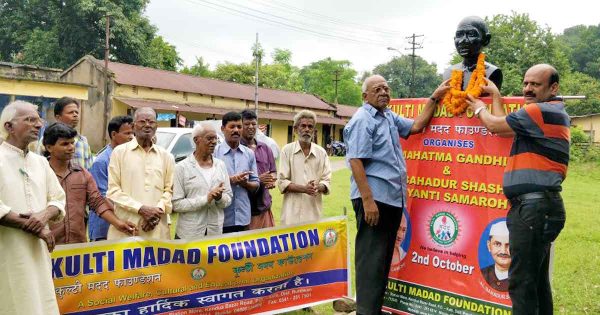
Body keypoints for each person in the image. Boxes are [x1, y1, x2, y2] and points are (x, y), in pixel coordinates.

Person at [467, 64, 569, 314]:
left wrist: (479, 107)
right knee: (536, 283)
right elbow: (504, 129)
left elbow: (493, 125)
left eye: (535, 84)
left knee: (522, 285)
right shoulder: (545, 113)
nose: (528, 89)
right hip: (540, 207)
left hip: (533, 209)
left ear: (553, 88)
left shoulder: (540, 111)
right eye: (526, 83)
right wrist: (496, 97)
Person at [344, 75, 450, 315]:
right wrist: (368, 201)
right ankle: (365, 312)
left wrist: (435, 97)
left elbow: (415, 126)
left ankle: (374, 309)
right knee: (371, 260)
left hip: (391, 198)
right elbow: (355, 161)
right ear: (365, 96)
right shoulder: (363, 119)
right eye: (376, 89)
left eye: (386, 88)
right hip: (374, 199)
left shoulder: (388, 116)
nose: (383, 92)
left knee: (382, 260)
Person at [0, 101, 66, 314]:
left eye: (39, 120)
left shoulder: (40, 162)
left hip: (38, 252)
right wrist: (34, 225)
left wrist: (44, 215)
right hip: (8, 249)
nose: (38, 125)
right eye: (30, 120)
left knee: (40, 302)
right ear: (9, 127)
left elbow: (58, 198)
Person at [43, 123, 137, 243]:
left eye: (72, 143)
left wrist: (118, 223)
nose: (71, 147)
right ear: (49, 147)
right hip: (46, 245)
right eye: (65, 144)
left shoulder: (82, 174)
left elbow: (97, 202)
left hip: (77, 246)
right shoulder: (39, 173)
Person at [107, 107, 175, 240]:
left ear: (157, 126)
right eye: (142, 122)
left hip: (156, 225)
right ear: (133, 126)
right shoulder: (119, 153)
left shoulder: (166, 156)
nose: (147, 125)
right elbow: (113, 190)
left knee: (158, 260)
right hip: (128, 226)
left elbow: (169, 190)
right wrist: (141, 209)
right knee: (124, 260)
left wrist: (155, 213)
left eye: (151, 122)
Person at [173, 122, 232, 238]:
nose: (214, 142)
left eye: (215, 138)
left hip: (214, 233)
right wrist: (206, 198)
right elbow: (176, 204)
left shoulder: (220, 165)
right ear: (196, 140)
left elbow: (228, 198)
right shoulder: (181, 167)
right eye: (209, 138)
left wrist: (220, 198)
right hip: (189, 234)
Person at [277, 110, 332, 225]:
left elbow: (326, 181)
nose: (307, 129)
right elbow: (282, 182)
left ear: (314, 131)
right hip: (291, 216)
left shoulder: (321, 153)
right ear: (295, 129)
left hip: (313, 214)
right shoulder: (287, 150)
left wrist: (318, 186)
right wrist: (304, 189)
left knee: (314, 244)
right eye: (303, 126)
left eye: (310, 127)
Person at [88, 116, 134, 241]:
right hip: (104, 227)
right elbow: (101, 196)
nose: (131, 137)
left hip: (125, 223)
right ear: (114, 134)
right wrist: (120, 218)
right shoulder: (102, 161)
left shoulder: (130, 158)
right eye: (127, 133)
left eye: (133, 133)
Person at [215, 112, 259, 233]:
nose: (236, 130)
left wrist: (245, 183)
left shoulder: (249, 153)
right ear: (223, 129)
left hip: (243, 217)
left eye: (239, 127)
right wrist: (231, 180)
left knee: (241, 252)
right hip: (220, 217)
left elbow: (256, 184)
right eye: (232, 127)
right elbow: (208, 182)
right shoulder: (215, 153)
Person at [443, 16, 503, 90]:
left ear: (486, 40)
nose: (462, 41)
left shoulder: (493, 72)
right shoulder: (449, 72)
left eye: (471, 34)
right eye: (459, 35)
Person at [240, 109, 277, 229]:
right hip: (246, 209)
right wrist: (258, 180)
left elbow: (273, 170)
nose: (251, 127)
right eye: (247, 124)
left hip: (265, 206)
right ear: (241, 126)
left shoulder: (265, 148)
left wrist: (271, 179)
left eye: (253, 124)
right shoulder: (237, 149)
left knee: (268, 246)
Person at [35, 97, 93, 168]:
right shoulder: (47, 140)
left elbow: (90, 168)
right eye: (70, 112)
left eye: (76, 112)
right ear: (58, 117)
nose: (75, 115)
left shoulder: (83, 141)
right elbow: (39, 166)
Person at [481, 221, 510, 292]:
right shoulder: (482, 274)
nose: (503, 251)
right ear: (489, 246)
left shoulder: (525, 279)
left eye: (509, 245)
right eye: (497, 244)